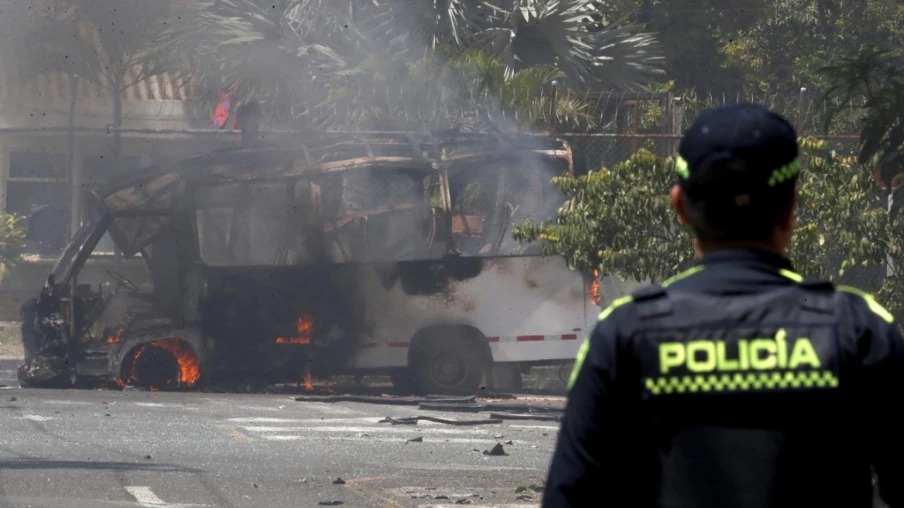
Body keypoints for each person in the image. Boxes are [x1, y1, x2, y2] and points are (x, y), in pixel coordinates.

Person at [542, 103, 904, 508]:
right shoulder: (859, 329)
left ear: (679, 205)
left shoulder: (625, 333)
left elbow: (570, 496)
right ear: (791, 206)